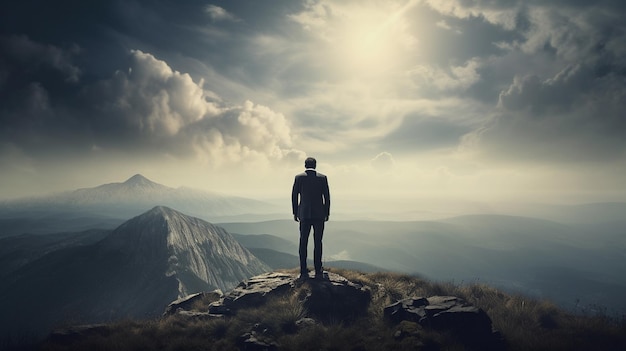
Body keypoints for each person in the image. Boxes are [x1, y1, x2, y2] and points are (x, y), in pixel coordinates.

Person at [291, 157, 330, 279]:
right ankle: (318, 269)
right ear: (316, 165)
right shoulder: (322, 178)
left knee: (303, 241)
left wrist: (295, 212)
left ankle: (303, 270)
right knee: (318, 241)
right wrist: (326, 213)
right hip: (319, 215)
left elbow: (294, 196)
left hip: (304, 214)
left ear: (305, 165)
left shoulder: (299, 177)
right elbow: (327, 197)